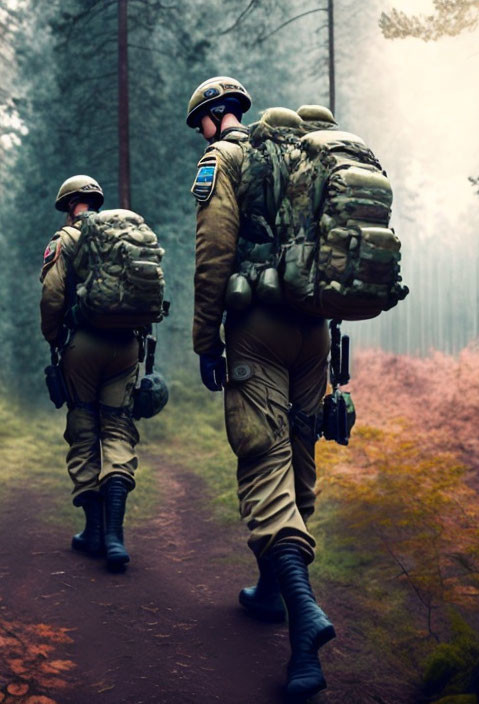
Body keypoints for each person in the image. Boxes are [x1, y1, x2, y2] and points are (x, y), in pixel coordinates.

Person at [186, 77, 335, 698]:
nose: (202, 132)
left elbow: (214, 252)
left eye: (201, 123)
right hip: (316, 332)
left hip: (260, 330)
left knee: (262, 462)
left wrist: (204, 340)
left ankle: (305, 619)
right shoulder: (305, 154)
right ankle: (272, 592)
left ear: (214, 118)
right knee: (300, 457)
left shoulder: (224, 158)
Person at [39, 175, 140, 572]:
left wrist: (54, 337)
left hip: (82, 345)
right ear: (96, 202)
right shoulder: (124, 236)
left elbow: (52, 294)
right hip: (126, 345)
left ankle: (94, 531)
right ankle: (116, 537)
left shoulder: (63, 240)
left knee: (83, 428)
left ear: (69, 206)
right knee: (117, 430)